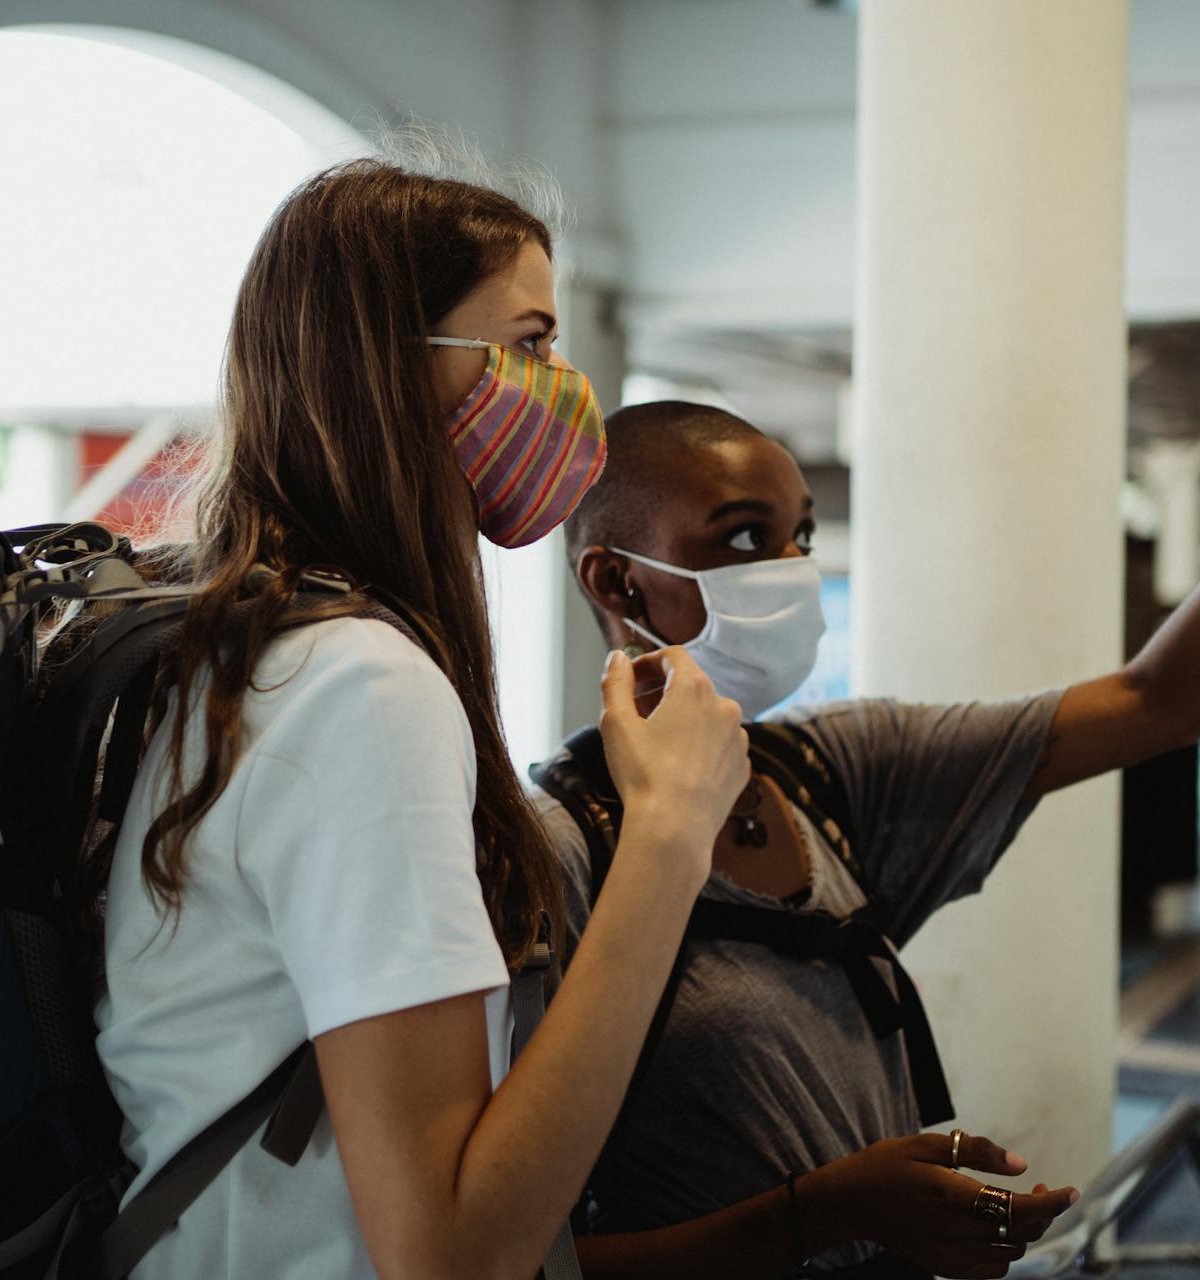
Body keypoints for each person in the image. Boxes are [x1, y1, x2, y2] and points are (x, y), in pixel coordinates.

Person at [92, 160, 750, 1279]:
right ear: (388, 371)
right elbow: (448, 1250)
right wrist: (671, 832)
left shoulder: (239, 646)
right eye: (532, 345)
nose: (565, 389)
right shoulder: (355, 687)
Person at [537, 388, 1200, 1279]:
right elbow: (518, 1252)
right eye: (743, 537)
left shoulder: (832, 771)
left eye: (800, 539)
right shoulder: (557, 856)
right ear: (617, 580)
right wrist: (825, 1213)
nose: (789, 567)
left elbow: (1155, 701)